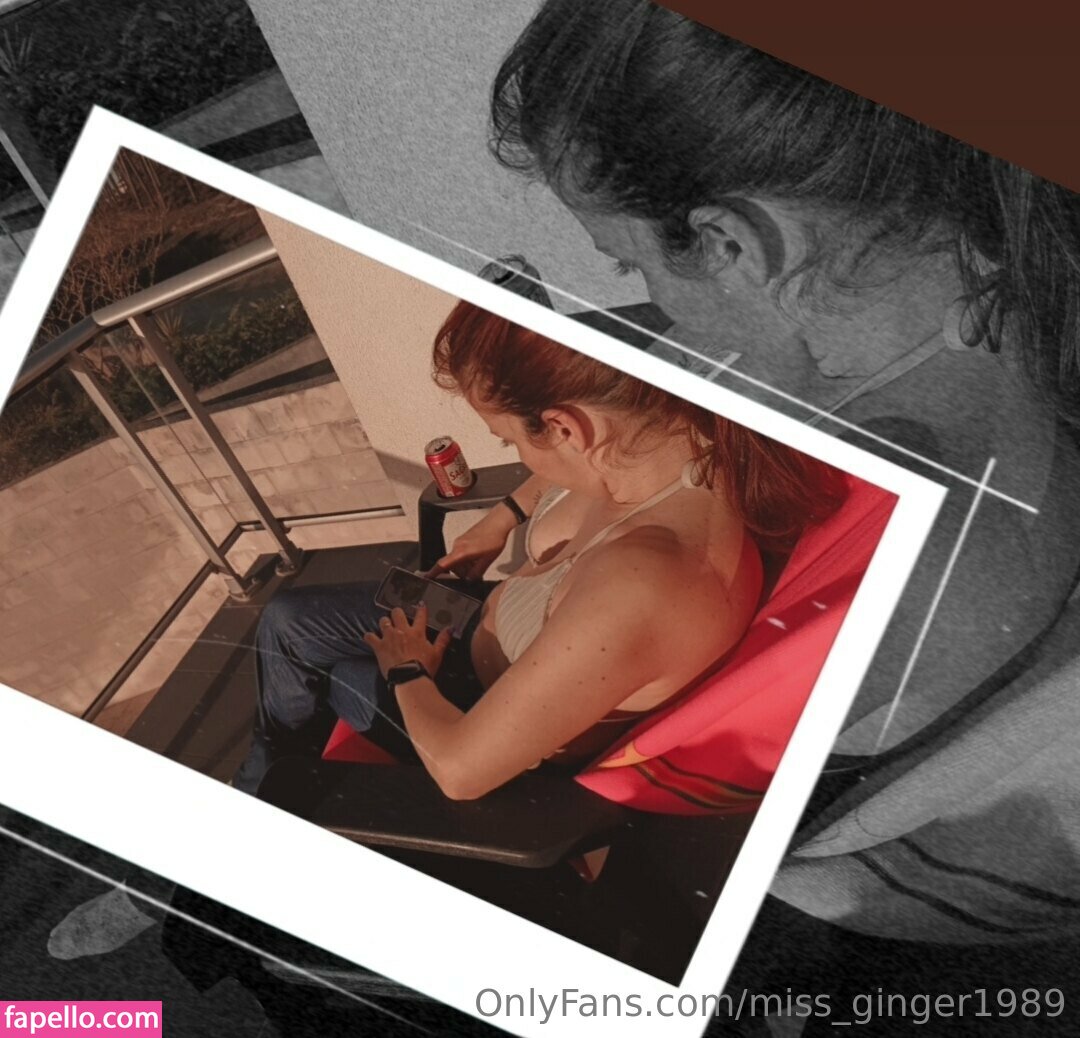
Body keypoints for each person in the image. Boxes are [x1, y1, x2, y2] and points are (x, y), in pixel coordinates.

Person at [487, 0, 1080, 1027]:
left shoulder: (870, 536)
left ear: (734, 241)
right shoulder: (994, 279)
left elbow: (558, 797)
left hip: (854, 949)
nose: (649, 303)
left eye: (631, 262)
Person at [231, 298, 845, 799]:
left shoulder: (647, 584)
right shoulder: (668, 432)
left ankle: (264, 797)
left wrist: (407, 670)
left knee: (339, 678)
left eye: (507, 439)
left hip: (490, 704)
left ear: (563, 428)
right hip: (490, 618)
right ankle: (269, 770)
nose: (517, 456)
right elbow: (568, 464)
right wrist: (502, 518)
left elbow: (461, 772)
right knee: (287, 619)